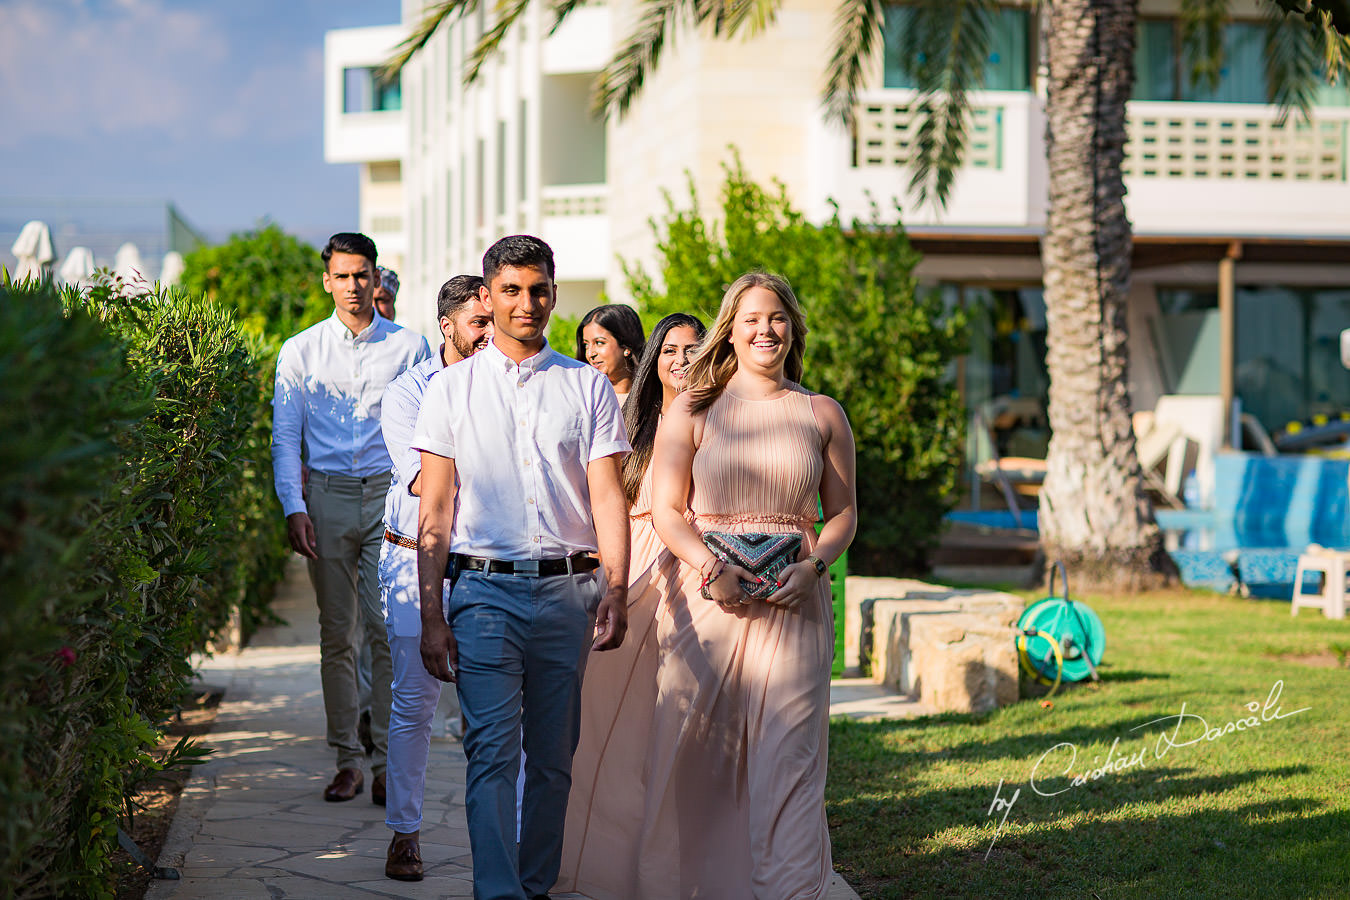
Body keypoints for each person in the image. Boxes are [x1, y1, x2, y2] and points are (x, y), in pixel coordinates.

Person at [411, 234, 632, 900]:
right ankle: (500, 893)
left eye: (538, 290)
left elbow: (606, 496)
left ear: (555, 295)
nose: (526, 303)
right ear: (487, 296)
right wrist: (432, 615)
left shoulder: (588, 386)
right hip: (482, 594)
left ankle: (534, 887)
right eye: (511, 290)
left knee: (554, 764)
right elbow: (437, 509)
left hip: (570, 595)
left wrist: (616, 589)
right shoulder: (449, 390)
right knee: (491, 758)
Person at [643, 272, 857, 899]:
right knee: (704, 765)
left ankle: (789, 892)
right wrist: (711, 568)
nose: (766, 330)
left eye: (777, 318)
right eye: (751, 319)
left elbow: (843, 514)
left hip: (796, 610)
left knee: (788, 763)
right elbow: (667, 510)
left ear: (793, 328)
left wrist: (815, 566)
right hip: (707, 606)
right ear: (729, 331)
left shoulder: (822, 413)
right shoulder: (692, 408)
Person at [271, 232, 431, 804]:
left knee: (387, 632)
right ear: (327, 281)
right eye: (342, 275)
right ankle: (347, 759)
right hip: (329, 498)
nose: (353, 286)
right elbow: (286, 438)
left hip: (389, 497)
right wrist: (294, 506)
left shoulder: (411, 348)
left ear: (376, 277)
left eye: (362, 274)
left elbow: (426, 431)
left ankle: (388, 762)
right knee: (336, 634)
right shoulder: (301, 351)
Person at [556, 313, 706, 899]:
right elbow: (602, 500)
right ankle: (607, 859)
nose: (682, 361)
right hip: (635, 566)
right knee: (612, 719)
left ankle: (674, 862)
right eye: (670, 350)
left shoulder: (722, 420)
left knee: (681, 720)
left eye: (695, 350)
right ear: (654, 359)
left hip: (698, 569)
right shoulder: (630, 420)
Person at [380, 275, 492, 881]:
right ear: (447, 325)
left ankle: (507, 841)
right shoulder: (406, 394)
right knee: (414, 706)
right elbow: (425, 483)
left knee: (495, 710)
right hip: (411, 558)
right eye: (479, 323)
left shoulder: (503, 385)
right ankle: (404, 833)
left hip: (483, 564)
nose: (488, 335)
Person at [577, 303, 645, 404]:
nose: (590, 354)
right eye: (586, 345)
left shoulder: (657, 397)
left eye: (599, 343)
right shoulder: (582, 398)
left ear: (626, 346)